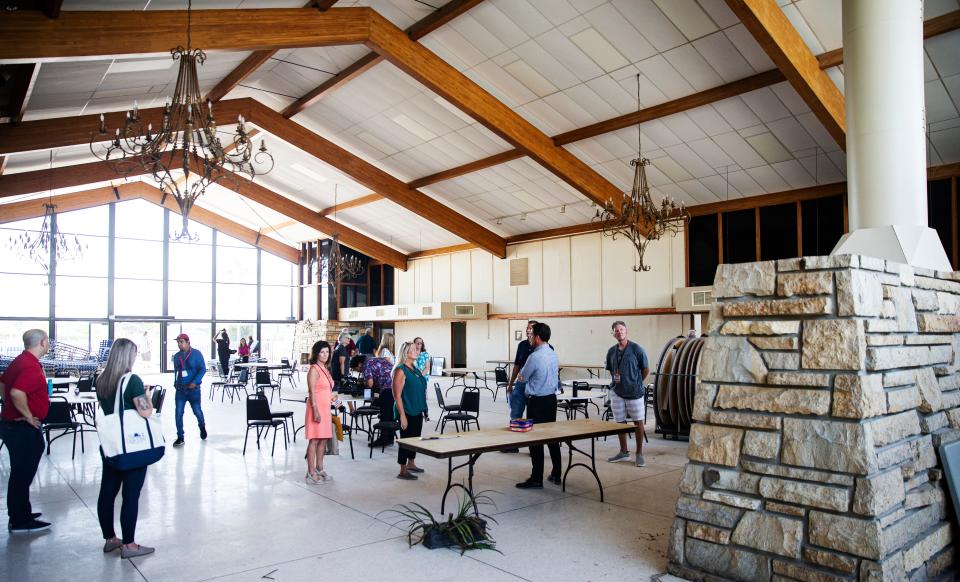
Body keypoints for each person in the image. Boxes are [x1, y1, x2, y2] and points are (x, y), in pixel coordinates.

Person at [95, 338, 156, 559]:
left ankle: (110, 539)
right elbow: (146, 412)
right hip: (132, 446)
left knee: (107, 493)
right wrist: (148, 397)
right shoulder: (132, 381)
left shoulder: (101, 380)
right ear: (129, 356)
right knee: (131, 495)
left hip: (111, 445)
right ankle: (129, 545)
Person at [0, 329, 51, 533]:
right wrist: (28, 415)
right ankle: (20, 520)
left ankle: (21, 512)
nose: (48, 344)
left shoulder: (20, 361)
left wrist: (10, 406)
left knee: (20, 474)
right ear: (41, 342)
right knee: (22, 475)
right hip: (22, 428)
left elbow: (3, 383)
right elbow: (15, 391)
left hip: (13, 425)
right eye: (47, 341)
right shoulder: (29, 365)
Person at [516, 323, 562, 489]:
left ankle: (536, 478)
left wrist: (523, 377)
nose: (529, 337)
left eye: (531, 335)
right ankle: (557, 473)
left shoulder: (534, 357)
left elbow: (522, 377)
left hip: (537, 401)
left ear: (537, 337)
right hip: (551, 400)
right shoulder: (552, 353)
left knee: (535, 441)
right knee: (552, 438)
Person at [605, 321, 650, 467]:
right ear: (613, 334)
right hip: (617, 392)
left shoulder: (637, 349)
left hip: (634, 392)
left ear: (626, 331)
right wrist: (616, 381)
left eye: (621, 329)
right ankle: (624, 452)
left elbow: (645, 369)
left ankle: (639, 453)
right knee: (620, 423)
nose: (619, 332)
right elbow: (611, 369)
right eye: (616, 330)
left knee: (638, 422)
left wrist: (636, 382)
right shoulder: (611, 351)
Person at [392, 341, 427, 480]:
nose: (417, 350)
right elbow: (397, 395)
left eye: (416, 348)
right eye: (413, 349)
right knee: (406, 440)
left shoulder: (414, 368)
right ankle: (402, 469)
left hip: (418, 409)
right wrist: (402, 415)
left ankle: (411, 463)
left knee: (415, 438)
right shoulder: (401, 370)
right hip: (407, 410)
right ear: (406, 353)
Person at [305, 340, 335, 484]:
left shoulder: (325, 368)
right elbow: (311, 392)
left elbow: (326, 390)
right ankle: (310, 472)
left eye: (327, 352)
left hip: (326, 408)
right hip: (316, 409)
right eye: (322, 352)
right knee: (314, 440)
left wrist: (334, 400)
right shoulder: (314, 369)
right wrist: (316, 411)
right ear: (316, 353)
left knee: (323, 439)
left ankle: (319, 468)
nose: (325, 354)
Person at [171, 333, 206, 448]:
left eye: (181, 342)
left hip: (194, 391)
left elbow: (203, 369)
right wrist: (175, 382)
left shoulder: (197, 354)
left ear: (188, 342)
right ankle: (180, 437)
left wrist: (195, 382)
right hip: (181, 390)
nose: (179, 344)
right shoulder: (177, 356)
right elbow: (177, 371)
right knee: (178, 413)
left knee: (197, 411)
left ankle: (202, 426)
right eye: (178, 342)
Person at [361, 353, 394, 447]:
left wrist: (365, 383)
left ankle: (383, 439)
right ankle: (390, 438)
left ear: (359, 364)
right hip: (396, 385)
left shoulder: (367, 364)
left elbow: (370, 384)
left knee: (385, 415)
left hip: (387, 388)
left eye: (357, 369)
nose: (360, 371)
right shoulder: (377, 359)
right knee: (390, 414)